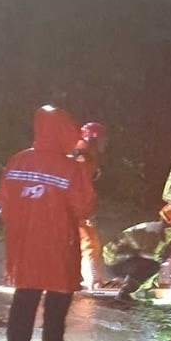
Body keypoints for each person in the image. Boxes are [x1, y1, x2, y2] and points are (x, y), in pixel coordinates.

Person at [0, 106, 96, 341]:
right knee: (55, 312)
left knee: (23, 305)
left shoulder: (18, 160)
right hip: (58, 248)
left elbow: (5, 202)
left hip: (24, 248)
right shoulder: (71, 168)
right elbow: (84, 206)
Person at [102, 203, 171, 302]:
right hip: (115, 263)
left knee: (155, 262)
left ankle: (140, 289)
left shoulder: (161, 232)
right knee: (151, 265)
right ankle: (125, 294)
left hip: (124, 258)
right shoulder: (154, 233)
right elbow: (147, 260)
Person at [71, 122, 106, 289]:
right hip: (75, 208)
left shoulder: (82, 152)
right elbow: (80, 186)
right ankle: (92, 279)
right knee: (89, 243)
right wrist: (84, 210)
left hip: (73, 207)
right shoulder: (83, 155)